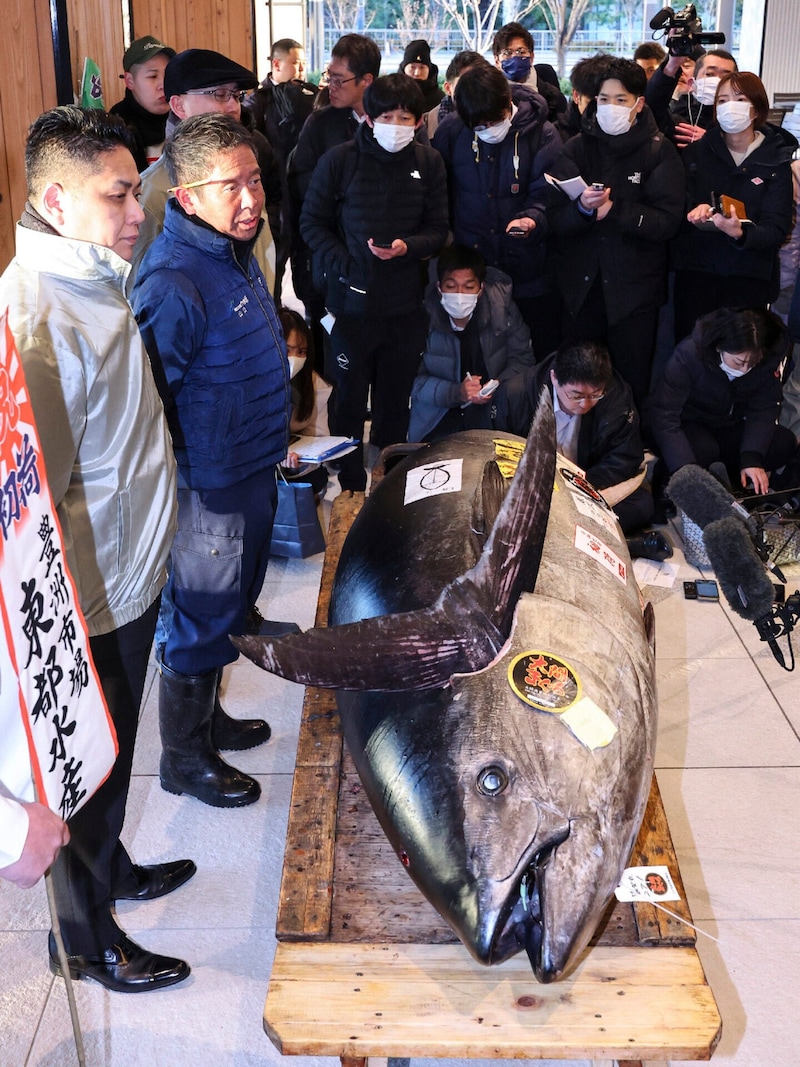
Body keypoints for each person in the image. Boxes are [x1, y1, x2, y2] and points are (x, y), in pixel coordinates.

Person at [0, 105, 191, 992]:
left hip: (129, 565)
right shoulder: (38, 319)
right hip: (91, 594)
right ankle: (83, 938)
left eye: (136, 191)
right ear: (55, 199)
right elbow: (33, 505)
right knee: (82, 771)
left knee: (111, 767)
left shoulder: (94, 278)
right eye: (117, 196)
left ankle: (111, 870)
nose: (136, 211)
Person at [132, 114, 298, 809]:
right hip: (208, 489)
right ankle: (183, 758)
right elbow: (149, 403)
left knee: (232, 603)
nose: (251, 199)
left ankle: (210, 719)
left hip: (251, 470)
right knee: (199, 613)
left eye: (254, 179)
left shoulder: (233, 251)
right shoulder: (172, 279)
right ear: (186, 195)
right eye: (230, 186)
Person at [300, 74, 448, 491]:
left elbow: (439, 230)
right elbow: (312, 223)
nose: (397, 125)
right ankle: (348, 481)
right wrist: (346, 264)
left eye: (406, 118)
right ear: (368, 117)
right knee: (347, 398)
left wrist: (408, 247)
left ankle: (389, 482)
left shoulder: (429, 162)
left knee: (394, 401)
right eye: (387, 116)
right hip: (350, 305)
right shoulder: (340, 160)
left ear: (419, 122)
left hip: (405, 305)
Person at [546, 57, 685, 406]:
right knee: (577, 378)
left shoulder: (659, 149)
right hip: (582, 289)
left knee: (629, 379)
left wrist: (614, 210)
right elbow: (555, 221)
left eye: (620, 99)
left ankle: (625, 450)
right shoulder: (576, 147)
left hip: (635, 292)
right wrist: (582, 210)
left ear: (639, 102)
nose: (610, 107)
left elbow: (667, 221)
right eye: (604, 99)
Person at [433, 63, 563, 359]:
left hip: (529, 267)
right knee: (477, 358)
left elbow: (549, 193)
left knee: (534, 354)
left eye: (493, 121)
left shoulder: (542, 133)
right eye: (478, 127)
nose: (488, 131)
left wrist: (533, 218)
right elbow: (441, 190)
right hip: (473, 267)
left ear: (508, 103)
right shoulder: (453, 130)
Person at [129, 48, 282, 290]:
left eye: (236, 95)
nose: (233, 106)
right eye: (219, 94)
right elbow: (145, 290)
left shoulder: (250, 159)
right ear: (179, 105)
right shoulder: (155, 190)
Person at [501, 340, 669, 559]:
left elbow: (624, 457)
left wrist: (579, 486)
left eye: (595, 395)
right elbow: (494, 448)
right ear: (554, 378)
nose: (585, 404)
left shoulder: (616, 396)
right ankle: (623, 545)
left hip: (585, 483)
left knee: (641, 504)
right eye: (576, 395)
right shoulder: (516, 394)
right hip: (531, 487)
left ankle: (557, 540)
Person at [672, 71, 796, 343]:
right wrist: (696, 211)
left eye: (739, 99)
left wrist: (741, 231)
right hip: (697, 273)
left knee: (740, 356)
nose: (730, 106)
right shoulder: (697, 153)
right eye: (723, 100)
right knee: (692, 354)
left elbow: (776, 228)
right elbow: (676, 209)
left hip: (749, 279)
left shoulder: (776, 160)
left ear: (756, 108)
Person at [287, 33, 381, 336]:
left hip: (380, 255)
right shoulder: (320, 123)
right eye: (330, 76)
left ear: (366, 80)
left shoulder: (393, 120)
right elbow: (300, 181)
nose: (330, 86)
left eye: (339, 79)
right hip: (330, 251)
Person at [646, 307, 797, 496]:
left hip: (728, 424)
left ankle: (732, 481)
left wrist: (751, 457)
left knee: (782, 442)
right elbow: (664, 414)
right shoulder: (689, 354)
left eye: (752, 364)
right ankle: (675, 480)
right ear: (720, 347)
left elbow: (764, 408)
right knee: (703, 451)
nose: (744, 370)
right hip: (689, 424)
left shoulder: (764, 363)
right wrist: (684, 470)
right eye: (738, 362)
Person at [408, 245, 534, 442]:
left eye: (468, 287)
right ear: (439, 288)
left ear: (481, 289)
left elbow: (523, 359)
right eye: (451, 286)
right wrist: (457, 392)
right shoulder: (421, 316)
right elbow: (412, 382)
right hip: (437, 420)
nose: (460, 295)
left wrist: (498, 386)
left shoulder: (502, 309)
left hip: (491, 416)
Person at [246, 37, 318, 165]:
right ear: (277, 64)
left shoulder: (310, 94)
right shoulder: (259, 100)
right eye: (295, 63)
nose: (302, 69)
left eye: (304, 63)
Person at [646, 48, 737, 148]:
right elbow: (652, 105)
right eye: (709, 74)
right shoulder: (680, 117)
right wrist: (672, 65)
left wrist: (713, 141)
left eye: (725, 77)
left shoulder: (741, 119)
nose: (717, 80)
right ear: (692, 83)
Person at [110, 34, 176, 170]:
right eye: (153, 76)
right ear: (130, 81)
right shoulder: (115, 127)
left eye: (168, 75)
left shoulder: (182, 117)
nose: (163, 85)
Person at [491, 21, 565, 124]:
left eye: (521, 52)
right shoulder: (489, 97)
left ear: (531, 57)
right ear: (497, 61)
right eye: (507, 53)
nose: (515, 57)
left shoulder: (553, 98)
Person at [423, 50, 488, 140]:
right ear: (448, 88)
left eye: (480, 83)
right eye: (465, 84)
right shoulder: (427, 125)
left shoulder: (496, 123)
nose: (474, 90)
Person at [555, 52, 615, 142]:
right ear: (576, 96)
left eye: (605, 101)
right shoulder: (557, 136)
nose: (600, 110)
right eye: (592, 103)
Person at [398, 39, 443, 113]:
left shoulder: (439, 100)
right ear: (404, 68)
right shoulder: (391, 94)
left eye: (422, 67)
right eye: (412, 67)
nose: (417, 73)